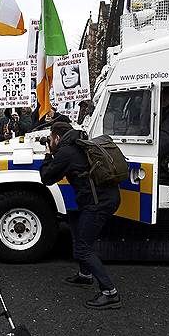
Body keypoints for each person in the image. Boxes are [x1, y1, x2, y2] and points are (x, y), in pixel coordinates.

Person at [39, 122, 122, 310]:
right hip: (101, 198)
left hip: (98, 203)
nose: (50, 142)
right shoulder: (80, 143)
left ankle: (110, 293)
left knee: (83, 247)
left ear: (58, 138)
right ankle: (85, 275)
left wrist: (47, 154)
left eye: (50, 139)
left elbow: (47, 177)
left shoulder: (65, 152)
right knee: (76, 227)